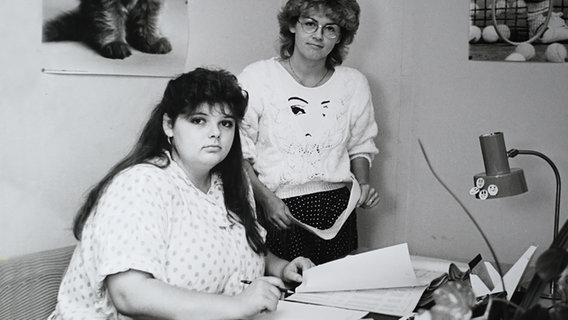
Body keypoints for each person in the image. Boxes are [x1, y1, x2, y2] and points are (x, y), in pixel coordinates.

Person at [48, 68, 314, 320]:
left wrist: (282, 268)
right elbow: (129, 294)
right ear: (168, 125)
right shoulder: (141, 184)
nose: (215, 133)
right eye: (199, 120)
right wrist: (237, 305)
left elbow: (243, 250)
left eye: (226, 123)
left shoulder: (233, 180)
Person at [238, 0, 379, 266]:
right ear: (293, 25)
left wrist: (364, 185)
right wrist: (266, 200)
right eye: (310, 24)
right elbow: (238, 151)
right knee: (284, 294)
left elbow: (361, 145)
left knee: (338, 296)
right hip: (277, 209)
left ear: (340, 36)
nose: (319, 36)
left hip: (338, 213)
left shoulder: (354, 83)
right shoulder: (258, 77)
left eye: (331, 29)